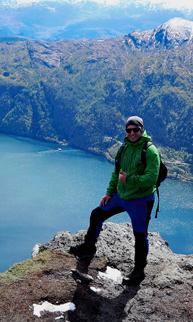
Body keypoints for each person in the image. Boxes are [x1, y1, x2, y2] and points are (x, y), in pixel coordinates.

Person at [69, 116, 161, 286]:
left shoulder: (150, 151)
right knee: (97, 214)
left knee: (140, 236)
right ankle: (88, 249)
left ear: (141, 130)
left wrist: (129, 180)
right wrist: (109, 193)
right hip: (121, 196)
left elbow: (151, 178)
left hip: (140, 199)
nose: (132, 133)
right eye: (129, 130)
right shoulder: (124, 148)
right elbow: (116, 173)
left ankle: (138, 272)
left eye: (135, 130)